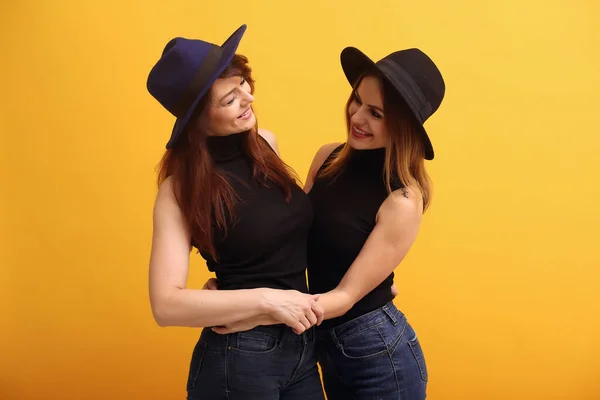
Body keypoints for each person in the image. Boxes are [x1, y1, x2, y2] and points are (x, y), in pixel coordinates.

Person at [212, 45, 445, 399]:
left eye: (376, 113)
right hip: (321, 345)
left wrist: (248, 313)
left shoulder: (403, 199)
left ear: (404, 128)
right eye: (357, 100)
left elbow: (346, 296)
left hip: (378, 355)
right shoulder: (328, 157)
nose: (357, 117)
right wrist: (231, 294)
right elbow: (291, 240)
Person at [146, 24, 326, 400]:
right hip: (240, 358)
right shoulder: (179, 189)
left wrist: (368, 280)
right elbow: (165, 305)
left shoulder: (265, 145)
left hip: (302, 347)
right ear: (198, 121)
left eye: (243, 82)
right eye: (228, 99)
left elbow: (289, 238)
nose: (247, 98)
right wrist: (266, 300)